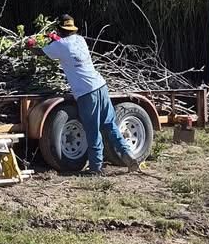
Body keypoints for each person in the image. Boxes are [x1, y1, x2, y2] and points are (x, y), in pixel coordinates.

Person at [26, 14, 139, 176]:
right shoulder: (79, 40)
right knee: (110, 125)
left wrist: (29, 46)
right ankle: (128, 156)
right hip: (101, 86)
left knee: (92, 130)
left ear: (59, 29)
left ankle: (96, 168)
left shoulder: (61, 46)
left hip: (87, 93)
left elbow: (41, 52)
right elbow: (64, 45)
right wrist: (55, 38)